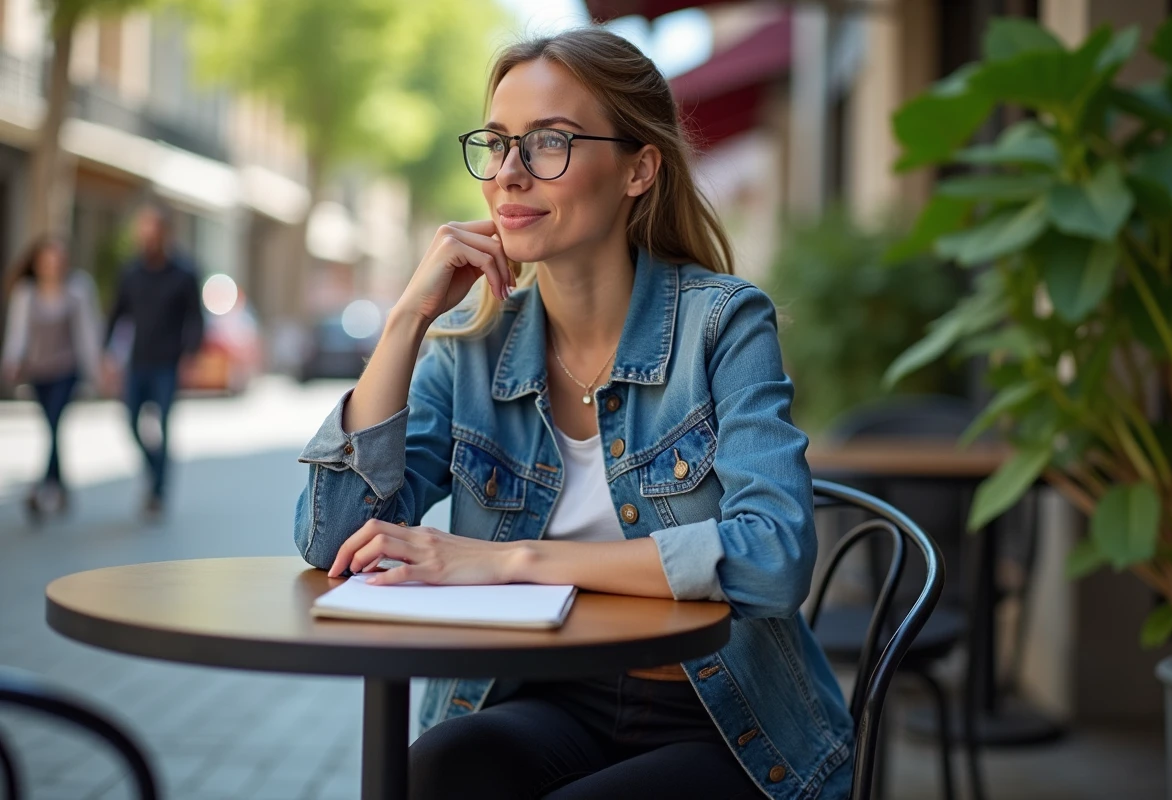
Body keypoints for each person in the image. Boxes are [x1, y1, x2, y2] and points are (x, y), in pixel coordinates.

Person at [294, 28, 853, 800]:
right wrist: (406, 321)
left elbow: (773, 558)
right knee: (437, 772)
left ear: (639, 169)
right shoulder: (471, 350)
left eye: (549, 142)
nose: (510, 174)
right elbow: (330, 543)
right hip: (547, 695)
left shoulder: (723, 325)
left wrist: (506, 562)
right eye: (497, 144)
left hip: (726, 718)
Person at [104, 204, 204, 517]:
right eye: (142, 230)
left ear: (164, 234)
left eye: (153, 230)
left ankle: (158, 491)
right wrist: (106, 353)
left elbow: (196, 320)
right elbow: (116, 314)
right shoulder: (131, 272)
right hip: (138, 362)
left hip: (168, 364)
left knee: (162, 425)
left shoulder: (184, 273)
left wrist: (190, 356)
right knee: (131, 421)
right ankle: (155, 470)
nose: (147, 236)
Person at [3, 237, 103, 518]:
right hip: (38, 372)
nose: (52, 266)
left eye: (57, 260)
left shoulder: (78, 289)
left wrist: (96, 372)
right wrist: (12, 361)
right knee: (51, 428)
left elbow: (87, 334)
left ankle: (42, 487)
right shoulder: (26, 293)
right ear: (37, 263)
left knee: (55, 422)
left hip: (66, 370)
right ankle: (60, 486)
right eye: (47, 260)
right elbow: (18, 332)